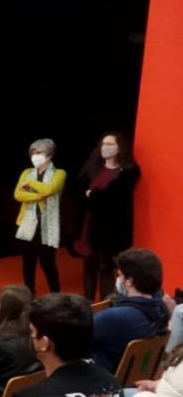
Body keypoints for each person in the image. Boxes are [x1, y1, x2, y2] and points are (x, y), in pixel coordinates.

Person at [72, 130, 139, 301]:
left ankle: (105, 305)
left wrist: (93, 195)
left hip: (110, 230)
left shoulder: (128, 172)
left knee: (105, 267)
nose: (105, 147)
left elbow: (113, 200)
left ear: (120, 147)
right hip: (88, 226)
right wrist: (93, 196)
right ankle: (87, 304)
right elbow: (81, 192)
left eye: (110, 144)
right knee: (88, 266)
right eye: (104, 144)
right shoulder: (93, 168)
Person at [90, 247, 169, 374]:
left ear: (129, 282)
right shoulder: (162, 310)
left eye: (120, 275)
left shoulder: (113, 317)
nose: (118, 279)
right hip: (136, 377)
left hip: (104, 382)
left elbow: (75, 342)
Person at [13, 138, 64, 293]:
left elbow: (49, 190)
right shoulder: (26, 173)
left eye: (39, 152)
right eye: (33, 153)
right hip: (27, 223)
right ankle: (29, 293)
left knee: (47, 263)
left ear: (49, 155)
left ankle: (56, 294)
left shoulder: (60, 173)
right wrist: (39, 196)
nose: (34, 156)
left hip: (47, 225)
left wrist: (31, 185)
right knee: (28, 262)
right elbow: (18, 195)